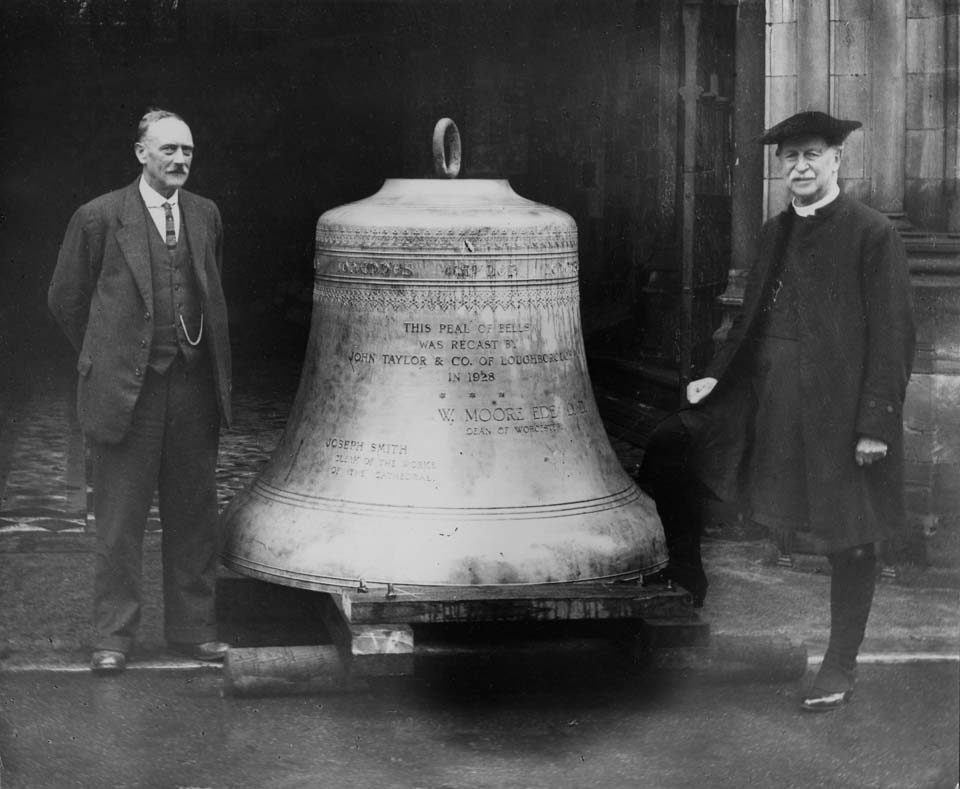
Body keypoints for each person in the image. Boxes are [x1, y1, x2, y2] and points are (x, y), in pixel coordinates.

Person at [639, 111, 915, 712]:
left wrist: (875, 422)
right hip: (766, 398)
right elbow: (750, 317)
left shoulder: (872, 233)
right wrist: (715, 376)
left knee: (853, 534)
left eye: (813, 154)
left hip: (838, 410)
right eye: (789, 158)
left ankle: (841, 665)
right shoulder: (774, 231)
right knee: (670, 444)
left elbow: (894, 334)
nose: (801, 167)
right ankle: (688, 580)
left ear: (838, 159)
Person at [48, 109, 232, 673]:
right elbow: (66, 299)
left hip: (192, 391)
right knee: (120, 522)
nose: (180, 160)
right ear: (140, 153)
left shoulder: (205, 215)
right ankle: (113, 637)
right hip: (126, 394)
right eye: (169, 150)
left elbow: (206, 287)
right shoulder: (99, 217)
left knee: (194, 516)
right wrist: (109, 353)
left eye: (188, 151)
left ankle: (192, 630)